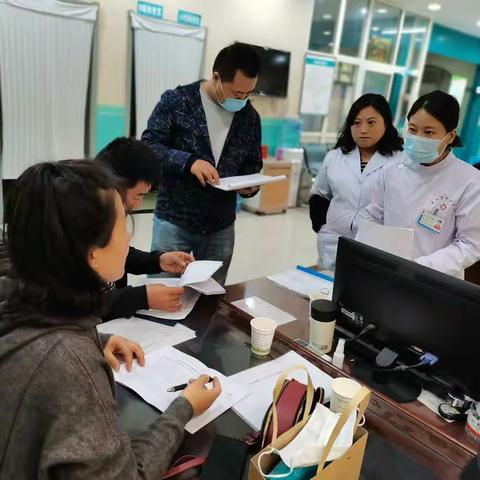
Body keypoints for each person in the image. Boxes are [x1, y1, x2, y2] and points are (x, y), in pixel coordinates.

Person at [0, 160, 221, 478]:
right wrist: (184, 407)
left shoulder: (16, 293)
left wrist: (95, 340)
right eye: (122, 224)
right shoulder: (70, 369)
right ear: (92, 254)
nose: (128, 238)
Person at [142, 43, 263, 285]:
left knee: (211, 295)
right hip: (175, 219)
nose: (243, 100)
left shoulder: (249, 118)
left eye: (249, 94)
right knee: (163, 291)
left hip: (221, 225)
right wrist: (189, 162)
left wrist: (250, 185)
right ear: (216, 77)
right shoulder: (177, 102)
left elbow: (252, 164)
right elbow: (148, 147)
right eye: (238, 94)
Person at [365, 90, 480, 278]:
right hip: (385, 271)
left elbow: (470, 245)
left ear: (450, 136)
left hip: (434, 280)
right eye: (412, 129)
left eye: (429, 132)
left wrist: (419, 266)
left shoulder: (470, 181)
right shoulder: (393, 169)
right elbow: (373, 216)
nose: (418, 137)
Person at [96, 137, 194, 320]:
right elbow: (80, 306)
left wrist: (158, 260)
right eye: (138, 195)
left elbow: (117, 254)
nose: (139, 203)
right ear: (116, 183)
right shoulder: (79, 219)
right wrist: (143, 297)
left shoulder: (109, 206)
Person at [309, 94, 403, 270]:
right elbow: (319, 194)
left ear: (386, 123)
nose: (363, 130)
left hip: (374, 247)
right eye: (357, 122)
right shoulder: (335, 156)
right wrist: (322, 227)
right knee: (326, 290)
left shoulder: (400, 161)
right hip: (333, 241)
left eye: (371, 122)